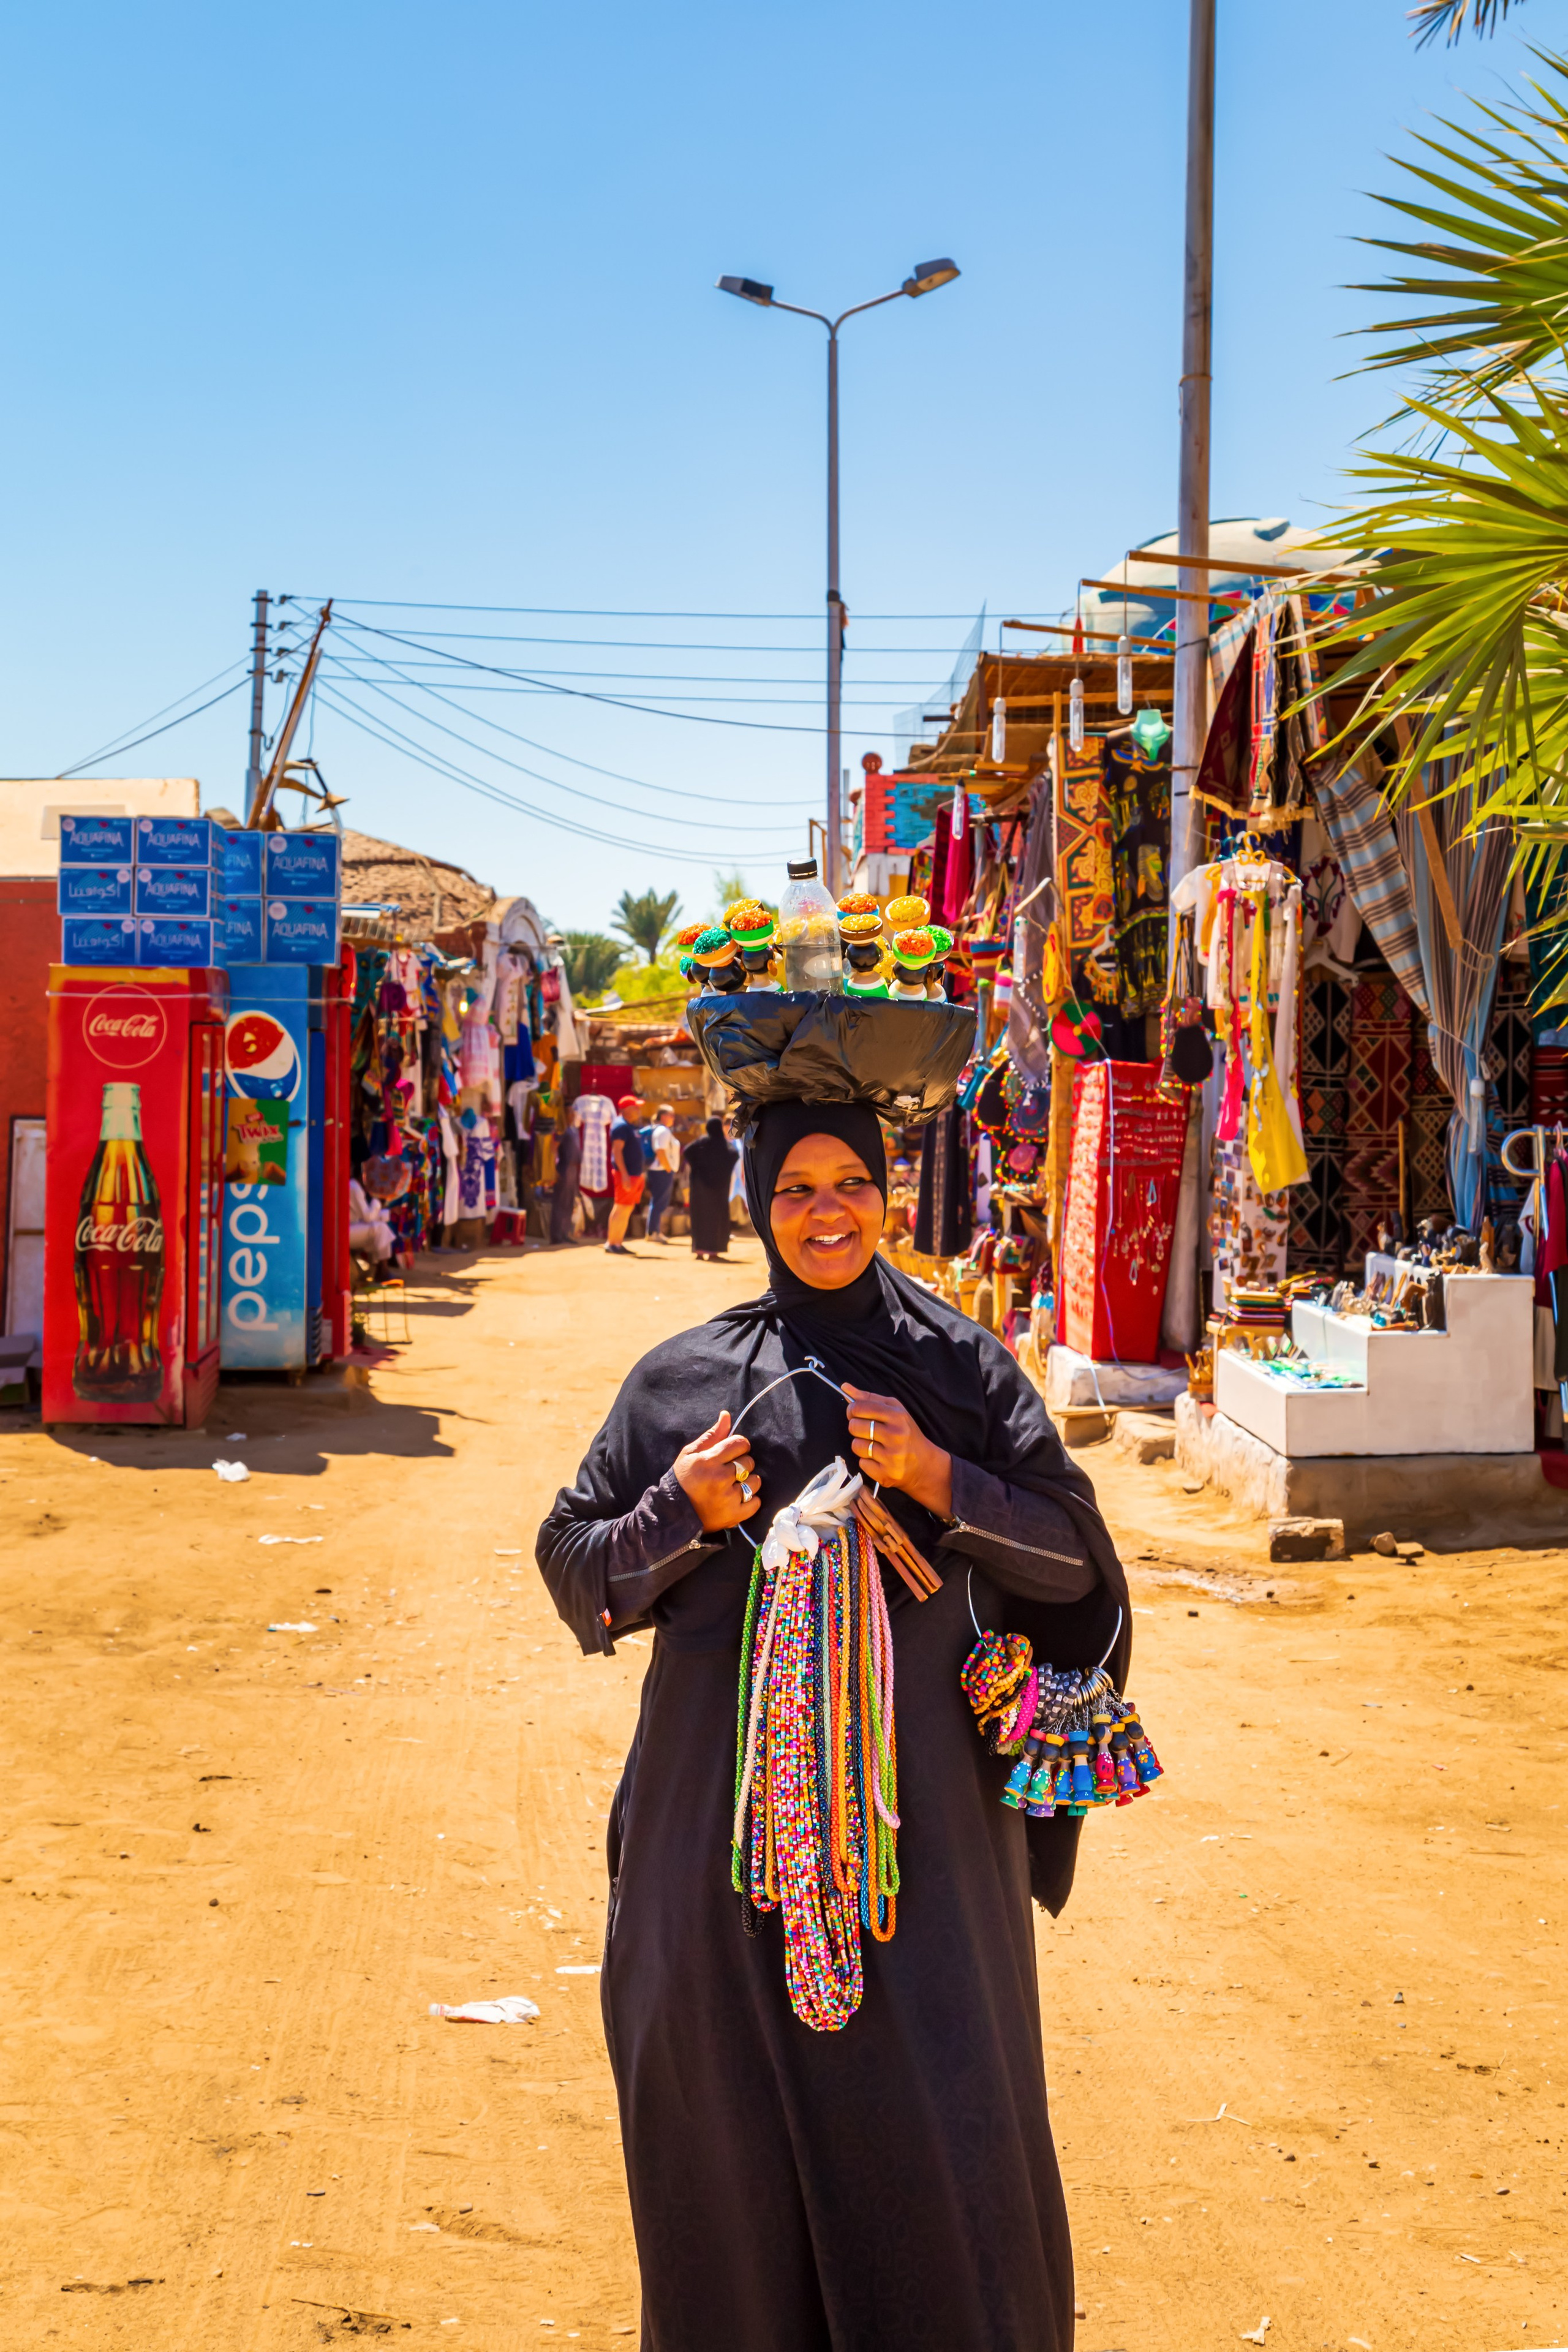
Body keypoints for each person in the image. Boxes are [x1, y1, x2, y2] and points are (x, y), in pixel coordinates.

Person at [536, 1097, 1128, 2352]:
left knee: (938, 2138)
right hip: (715, 1842)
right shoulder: (680, 1379)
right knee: (720, 2144)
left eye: (849, 1182)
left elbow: (1076, 1561)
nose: (824, 1213)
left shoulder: (960, 1369)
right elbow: (575, 1569)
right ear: (754, 1200)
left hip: (916, 1852)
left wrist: (935, 1478)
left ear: (889, 1193)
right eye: (793, 1187)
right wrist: (675, 1513)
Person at [684, 1112, 737, 1260]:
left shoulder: (701, 1143)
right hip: (718, 1191)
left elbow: (687, 1151)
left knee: (700, 1218)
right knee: (716, 1219)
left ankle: (699, 1251)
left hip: (699, 1190)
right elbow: (734, 1155)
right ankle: (714, 1251)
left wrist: (697, 1168)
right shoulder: (724, 1146)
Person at [605, 1092, 646, 1256]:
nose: (638, 1110)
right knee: (621, 1208)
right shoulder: (621, 1126)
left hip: (634, 1174)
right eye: (636, 1107)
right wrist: (625, 1175)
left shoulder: (628, 1125)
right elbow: (617, 1152)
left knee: (626, 1208)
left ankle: (617, 1242)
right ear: (628, 1109)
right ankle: (612, 1243)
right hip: (627, 1175)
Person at [643, 1104, 680, 1243]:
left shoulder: (660, 1130)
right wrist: (668, 1168)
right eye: (671, 1115)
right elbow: (661, 1151)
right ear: (663, 1116)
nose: (673, 1118)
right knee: (659, 1202)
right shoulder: (663, 1131)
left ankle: (654, 1231)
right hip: (661, 1171)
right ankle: (653, 1232)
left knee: (658, 1202)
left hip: (659, 1170)